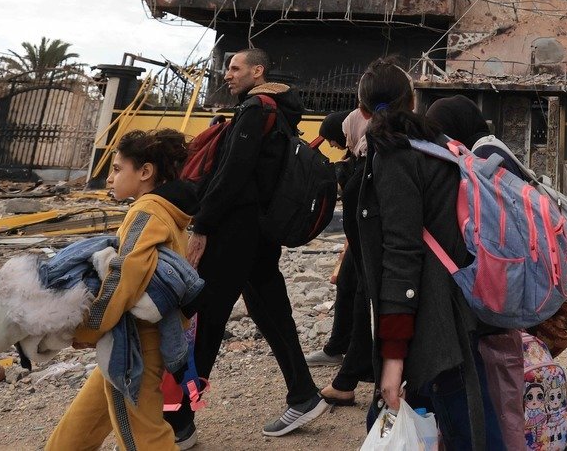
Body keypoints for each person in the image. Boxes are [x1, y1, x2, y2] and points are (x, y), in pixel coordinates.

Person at [166, 48, 322, 444]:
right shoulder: (281, 112)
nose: (228, 75)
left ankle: (180, 420)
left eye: (235, 68)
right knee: (271, 311)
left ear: (258, 71)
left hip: (236, 229)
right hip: (262, 230)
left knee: (207, 320)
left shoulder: (256, 109)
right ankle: (303, 393)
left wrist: (203, 223)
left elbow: (234, 172)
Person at [356, 60, 507, 450]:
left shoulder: (395, 157)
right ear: (413, 101)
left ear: (361, 110)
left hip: (436, 311)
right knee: (452, 407)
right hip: (461, 293)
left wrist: (392, 355)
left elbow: (401, 255)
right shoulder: (436, 144)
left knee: (461, 418)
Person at [45, 129, 197, 451]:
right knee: (84, 421)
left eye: (117, 169)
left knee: (141, 437)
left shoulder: (145, 212)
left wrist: (89, 329)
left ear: (144, 172)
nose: (110, 178)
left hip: (136, 344)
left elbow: (123, 278)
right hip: (137, 340)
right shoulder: (171, 212)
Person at [427, 96, 529, 451]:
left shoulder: (481, 163)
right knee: (501, 396)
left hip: (491, 302)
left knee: (496, 402)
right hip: (503, 300)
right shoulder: (495, 155)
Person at [309, 109, 376, 416]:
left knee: (364, 304)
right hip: (361, 247)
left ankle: (349, 378)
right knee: (351, 290)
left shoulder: (374, 158)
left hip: (372, 251)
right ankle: (343, 354)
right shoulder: (363, 157)